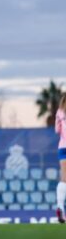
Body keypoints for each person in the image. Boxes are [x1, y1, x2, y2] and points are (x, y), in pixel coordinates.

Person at [54, 95, 66, 223]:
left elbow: (57, 130)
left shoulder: (59, 112)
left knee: (64, 178)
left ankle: (60, 206)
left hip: (62, 147)